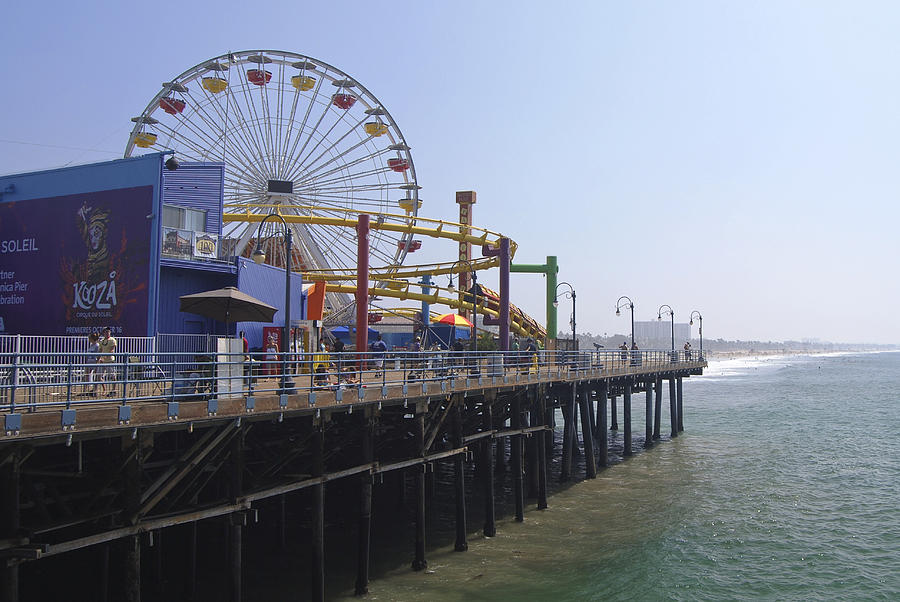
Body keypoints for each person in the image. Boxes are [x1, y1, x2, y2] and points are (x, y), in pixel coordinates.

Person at [97, 327, 118, 396]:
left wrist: (105, 357)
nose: (107, 333)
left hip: (110, 360)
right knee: (99, 376)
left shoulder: (112, 340)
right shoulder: (102, 341)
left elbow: (111, 350)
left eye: (108, 331)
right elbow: (100, 350)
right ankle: (104, 390)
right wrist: (98, 359)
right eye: (106, 332)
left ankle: (113, 390)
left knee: (112, 376)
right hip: (102, 361)